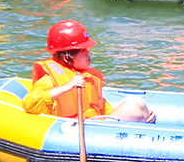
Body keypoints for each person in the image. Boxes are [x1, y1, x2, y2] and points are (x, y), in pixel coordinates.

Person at [23, 18, 155, 122]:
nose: (88, 53)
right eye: (83, 50)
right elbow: (29, 103)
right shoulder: (49, 80)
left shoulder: (86, 76)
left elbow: (101, 107)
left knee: (136, 102)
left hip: (94, 123)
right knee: (131, 111)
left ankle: (144, 129)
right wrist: (66, 87)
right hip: (76, 129)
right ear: (67, 56)